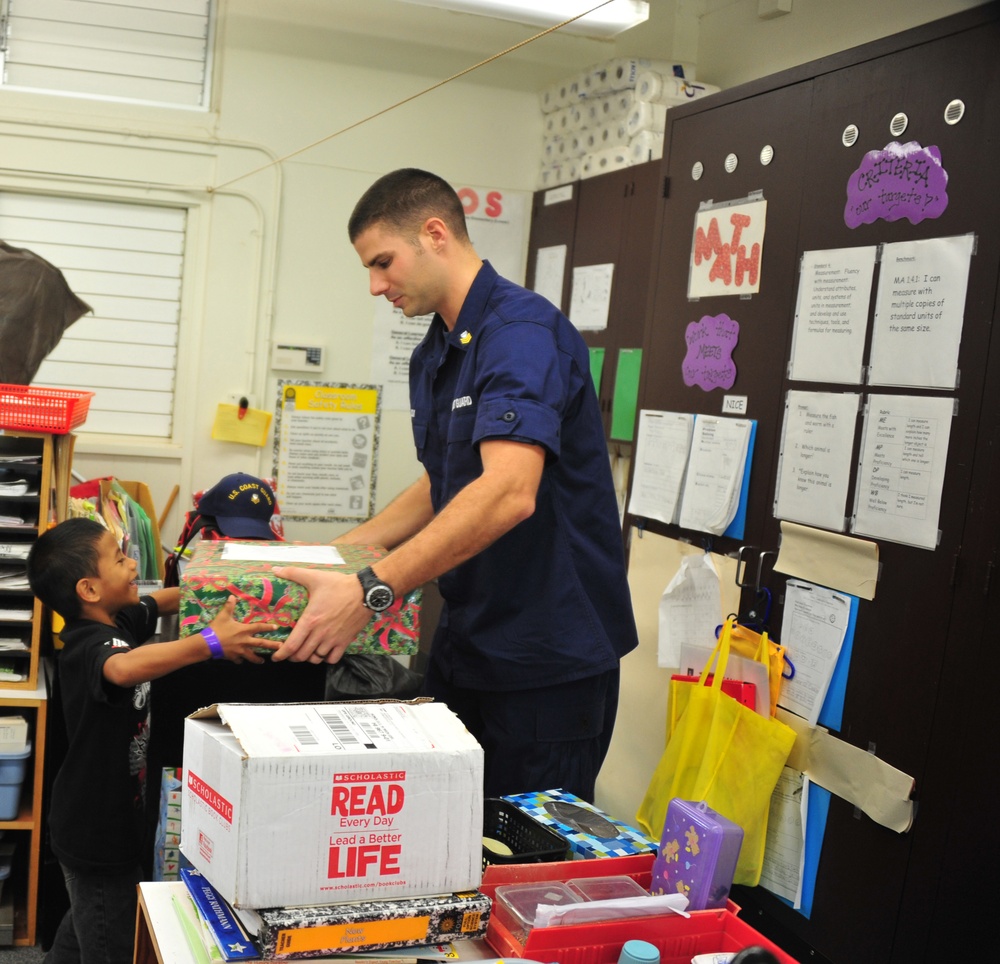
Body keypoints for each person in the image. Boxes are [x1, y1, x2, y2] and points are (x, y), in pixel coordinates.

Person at [271, 167, 639, 800]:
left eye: (383, 263)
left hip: (545, 659)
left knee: (519, 861)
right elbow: (444, 480)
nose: (375, 285)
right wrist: (340, 554)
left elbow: (508, 491)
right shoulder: (438, 350)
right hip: (473, 641)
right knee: (445, 837)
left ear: (434, 234)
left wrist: (371, 591)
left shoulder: (521, 336)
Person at [26, 517, 278, 964]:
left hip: (110, 822)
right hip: (95, 834)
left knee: (87, 921)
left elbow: (157, 601)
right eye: (120, 559)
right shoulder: (88, 644)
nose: (131, 563)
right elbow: (123, 668)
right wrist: (209, 643)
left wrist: (218, 585)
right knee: (112, 940)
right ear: (89, 589)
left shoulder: (117, 618)